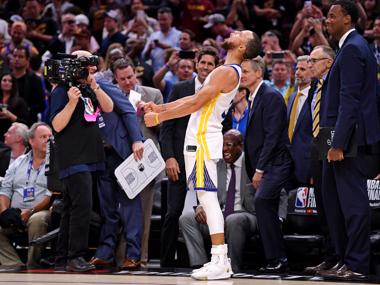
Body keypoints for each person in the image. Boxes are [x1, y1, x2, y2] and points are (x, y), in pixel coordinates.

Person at [144, 30, 261, 280]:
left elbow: (195, 104)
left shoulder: (227, 72)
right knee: (205, 197)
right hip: (200, 138)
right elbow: (194, 99)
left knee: (208, 199)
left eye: (241, 33)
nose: (234, 32)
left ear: (242, 47)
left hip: (203, 140)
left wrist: (159, 117)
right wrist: (162, 106)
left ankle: (220, 259)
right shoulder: (225, 70)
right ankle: (220, 260)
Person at [319, 1, 380, 279]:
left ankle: (356, 263)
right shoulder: (348, 47)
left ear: (348, 19)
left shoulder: (354, 48)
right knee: (331, 201)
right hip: (334, 132)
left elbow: (350, 100)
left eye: (332, 16)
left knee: (352, 203)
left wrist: (339, 143)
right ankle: (340, 259)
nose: (327, 20)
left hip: (348, 136)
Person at [179, 130, 287, 273]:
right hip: (220, 214)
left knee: (234, 219)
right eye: (222, 145)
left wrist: (279, 218)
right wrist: (200, 206)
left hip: (249, 215)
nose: (224, 150)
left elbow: (281, 192)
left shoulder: (253, 163)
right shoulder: (217, 164)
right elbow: (206, 189)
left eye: (228, 145)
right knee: (186, 219)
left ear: (240, 146)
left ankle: (232, 268)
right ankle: (200, 266)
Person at [49, 50, 113, 272]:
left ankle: (62, 258)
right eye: (87, 64)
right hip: (73, 156)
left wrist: (94, 85)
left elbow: (108, 107)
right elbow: (56, 125)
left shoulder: (88, 88)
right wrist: (71, 103)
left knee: (70, 207)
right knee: (82, 207)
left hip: (91, 155)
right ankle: (75, 256)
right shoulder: (61, 91)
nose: (92, 68)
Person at [160, 47, 219, 267]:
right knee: (173, 212)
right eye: (202, 62)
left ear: (216, 67)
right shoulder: (179, 89)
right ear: (196, 63)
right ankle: (165, 264)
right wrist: (169, 158)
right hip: (180, 161)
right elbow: (166, 127)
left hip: (205, 161)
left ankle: (209, 261)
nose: (205, 67)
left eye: (210, 64)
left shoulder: (218, 91)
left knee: (208, 210)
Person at [112, 58, 163, 266]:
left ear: (136, 74)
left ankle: (139, 259)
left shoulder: (153, 95)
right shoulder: (109, 96)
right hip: (116, 161)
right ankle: (116, 258)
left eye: (131, 77)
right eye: (122, 79)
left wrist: (151, 114)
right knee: (116, 213)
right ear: (115, 79)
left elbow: (164, 130)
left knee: (142, 213)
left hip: (144, 165)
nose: (128, 82)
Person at [90, 77, 144, 270]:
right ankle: (105, 253)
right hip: (99, 154)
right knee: (107, 207)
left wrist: (137, 139)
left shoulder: (102, 85)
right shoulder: (74, 92)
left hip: (121, 151)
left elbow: (128, 110)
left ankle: (133, 255)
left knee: (130, 205)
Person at [243, 56, 292, 273]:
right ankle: (274, 258)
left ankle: (278, 258)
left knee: (263, 202)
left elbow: (272, 137)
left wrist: (259, 170)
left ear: (258, 73)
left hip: (276, 163)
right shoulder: (254, 96)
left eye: (245, 71)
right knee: (265, 205)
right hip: (267, 163)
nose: (241, 75)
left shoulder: (270, 96)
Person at [304, 45, 338, 274]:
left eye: (314, 60)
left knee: (335, 208)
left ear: (328, 62)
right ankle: (329, 257)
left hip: (334, 147)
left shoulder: (334, 85)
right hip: (317, 149)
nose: (309, 64)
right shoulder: (314, 86)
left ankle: (340, 257)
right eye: (308, 59)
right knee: (323, 209)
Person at [0, 122, 52, 268]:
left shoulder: (55, 163)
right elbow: (5, 190)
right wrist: (5, 213)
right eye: (43, 136)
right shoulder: (18, 163)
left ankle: (32, 264)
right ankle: (13, 263)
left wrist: (30, 211)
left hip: (41, 211)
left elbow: (50, 196)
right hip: (16, 214)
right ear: (31, 140)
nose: (47, 140)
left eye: (50, 137)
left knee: (37, 220)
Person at [287, 55, 313, 186]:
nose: (297, 72)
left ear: (312, 71)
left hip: (307, 164)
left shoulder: (317, 98)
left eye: (302, 69)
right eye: (297, 68)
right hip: (288, 162)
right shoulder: (292, 97)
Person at [0, 72, 29, 141]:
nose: (7, 83)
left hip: (13, 138)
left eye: (10, 81)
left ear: (13, 84)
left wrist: (9, 115)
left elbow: (25, 124)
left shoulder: (20, 102)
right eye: (4, 80)